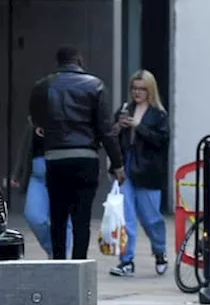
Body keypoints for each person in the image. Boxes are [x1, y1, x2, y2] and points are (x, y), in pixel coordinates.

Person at [28, 46, 124, 260]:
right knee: (82, 219)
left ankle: (59, 263)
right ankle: (79, 264)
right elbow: (106, 130)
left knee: (58, 217)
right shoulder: (95, 86)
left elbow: (36, 121)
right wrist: (117, 164)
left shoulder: (42, 86)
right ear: (79, 61)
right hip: (86, 157)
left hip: (55, 158)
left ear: (58, 63)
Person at [109, 70, 171, 277]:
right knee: (125, 217)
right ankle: (126, 261)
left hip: (148, 171)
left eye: (142, 89)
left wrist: (139, 126)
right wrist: (118, 127)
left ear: (150, 90)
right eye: (134, 88)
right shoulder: (125, 109)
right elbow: (110, 137)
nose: (137, 93)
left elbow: (161, 141)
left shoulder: (158, 115)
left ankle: (160, 251)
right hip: (125, 168)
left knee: (151, 218)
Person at [10, 120, 71, 258]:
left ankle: (62, 256)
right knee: (34, 216)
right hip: (38, 175)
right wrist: (17, 172)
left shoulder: (68, 112)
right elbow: (25, 147)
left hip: (62, 171)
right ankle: (54, 249)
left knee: (63, 218)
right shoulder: (35, 118)